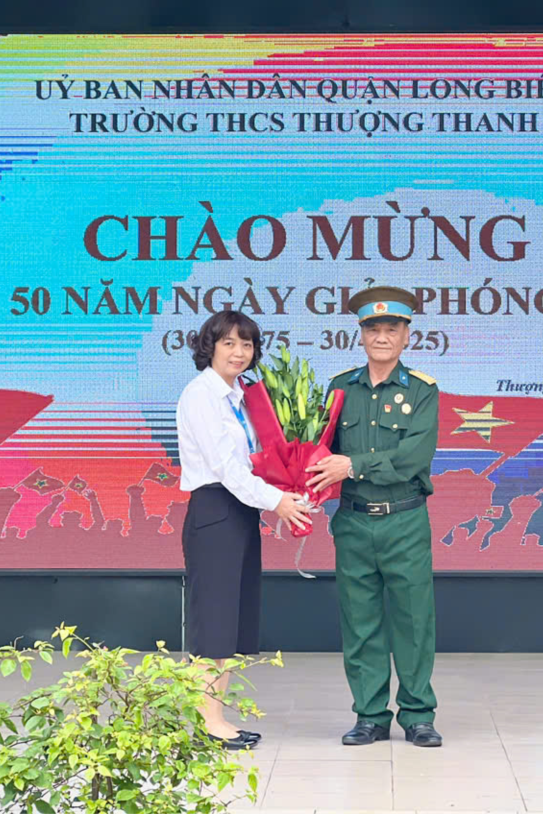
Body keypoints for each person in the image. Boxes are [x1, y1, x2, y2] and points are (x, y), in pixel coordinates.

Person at [305, 286, 443, 749]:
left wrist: (353, 465)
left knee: (413, 621)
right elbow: (319, 451)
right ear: (361, 335)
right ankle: (370, 716)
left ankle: (418, 716)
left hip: (405, 520)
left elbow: (413, 457)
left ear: (407, 336)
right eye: (373, 329)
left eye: (391, 329)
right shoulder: (339, 388)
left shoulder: (422, 390)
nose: (382, 337)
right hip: (354, 520)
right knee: (360, 622)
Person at [176, 310, 313, 750]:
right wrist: (278, 502)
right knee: (213, 623)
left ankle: (214, 716)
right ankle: (207, 724)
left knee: (230, 625)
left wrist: (290, 486)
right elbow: (226, 468)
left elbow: (256, 461)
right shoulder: (201, 395)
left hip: (240, 512)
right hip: (216, 510)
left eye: (247, 344)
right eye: (229, 343)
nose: (239, 352)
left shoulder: (242, 397)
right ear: (210, 346)